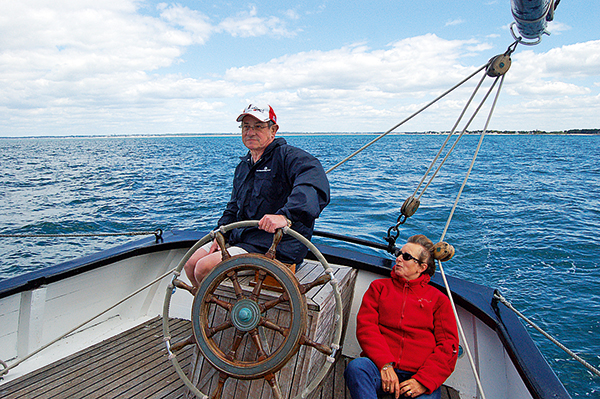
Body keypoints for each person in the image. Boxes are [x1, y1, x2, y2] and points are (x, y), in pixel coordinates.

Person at [184, 103, 330, 287]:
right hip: (243, 237)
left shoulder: (291, 157)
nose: (250, 132)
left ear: (273, 130)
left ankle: (223, 312)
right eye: (246, 127)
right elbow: (233, 207)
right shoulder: (244, 166)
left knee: (204, 268)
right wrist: (221, 234)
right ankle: (205, 309)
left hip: (274, 246)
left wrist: (285, 216)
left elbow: (314, 185)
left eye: (258, 127)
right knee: (190, 263)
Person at [344, 234, 459, 399]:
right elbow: (366, 327)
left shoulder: (438, 300)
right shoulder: (379, 288)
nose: (398, 259)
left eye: (406, 257)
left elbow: (448, 346)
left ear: (421, 267)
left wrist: (422, 381)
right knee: (357, 368)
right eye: (399, 253)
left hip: (418, 375)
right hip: (380, 369)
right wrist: (385, 364)